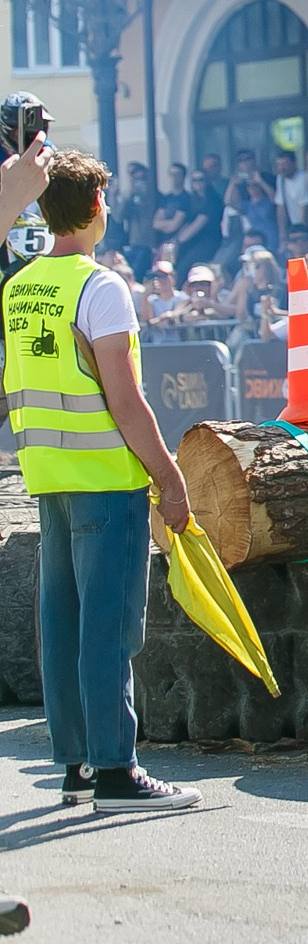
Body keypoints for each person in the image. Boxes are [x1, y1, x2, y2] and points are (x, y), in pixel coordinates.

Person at [4, 149, 201, 814]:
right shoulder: (102, 287)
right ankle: (118, 772)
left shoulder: (19, 284)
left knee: (62, 628)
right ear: (95, 208)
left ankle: (78, 767)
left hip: (49, 476)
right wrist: (169, 477)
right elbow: (126, 399)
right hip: (106, 478)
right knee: (110, 630)